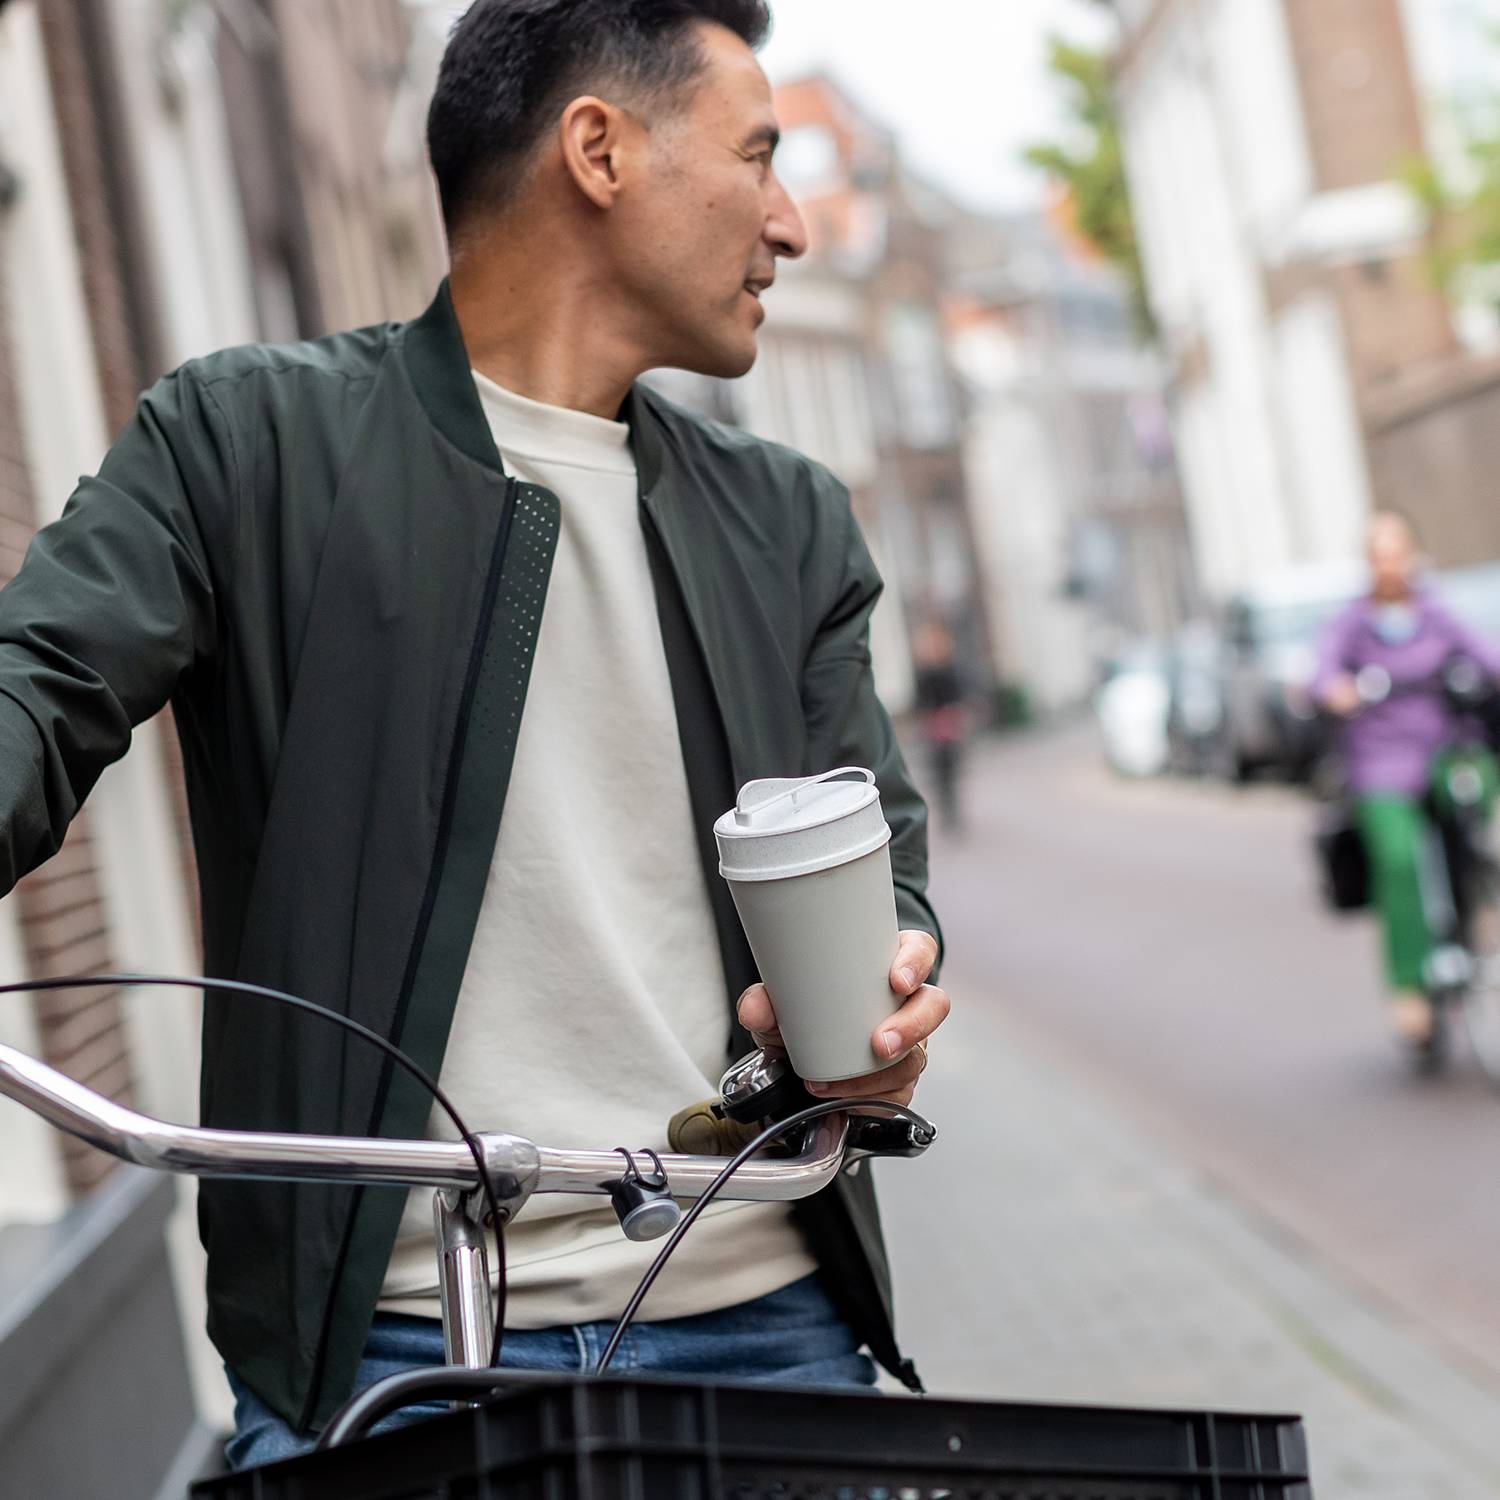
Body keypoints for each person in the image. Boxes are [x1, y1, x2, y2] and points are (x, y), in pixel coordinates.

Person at [0, 0, 950, 1469]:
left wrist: (884, 997)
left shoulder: (789, 524)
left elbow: (874, 851)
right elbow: (32, 692)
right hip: (386, 1354)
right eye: (758, 157)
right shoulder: (241, 449)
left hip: (767, 1324)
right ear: (599, 151)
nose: (789, 223)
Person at [1314, 513, 1500, 1046]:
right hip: (1382, 762)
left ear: (1415, 556)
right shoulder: (1352, 623)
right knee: (1397, 859)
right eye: (1380, 555)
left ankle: (1479, 897)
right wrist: (1335, 689)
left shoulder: (1437, 614)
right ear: (1369, 564)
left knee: (1476, 786)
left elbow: (1484, 654)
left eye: (1399, 552)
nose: (1391, 565)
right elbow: (1322, 670)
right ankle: (1409, 986)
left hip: (1444, 748)